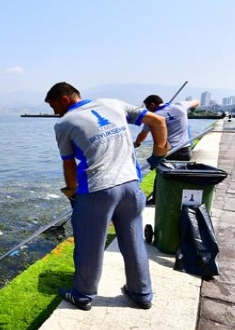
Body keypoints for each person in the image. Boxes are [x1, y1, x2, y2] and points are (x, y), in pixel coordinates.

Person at [45, 82, 169, 311]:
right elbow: (158, 121)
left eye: (54, 106)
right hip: (131, 186)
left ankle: (82, 294)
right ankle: (141, 293)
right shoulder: (113, 103)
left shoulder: (64, 124)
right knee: (133, 241)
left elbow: (69, 165)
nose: (55, 112)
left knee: (88, 244)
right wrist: (160, 151)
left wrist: (72, 192)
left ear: (64, 99)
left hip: (98, 190)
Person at [133, 95, 201, 161]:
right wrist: (192, 108)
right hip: (185, 151)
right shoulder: (180, 105)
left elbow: (143, 134)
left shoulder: (153, 117)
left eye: (147, 107)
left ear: (152, 105)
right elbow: (197, 102)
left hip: (168, 153)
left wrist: (137, 143)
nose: (147, 110)